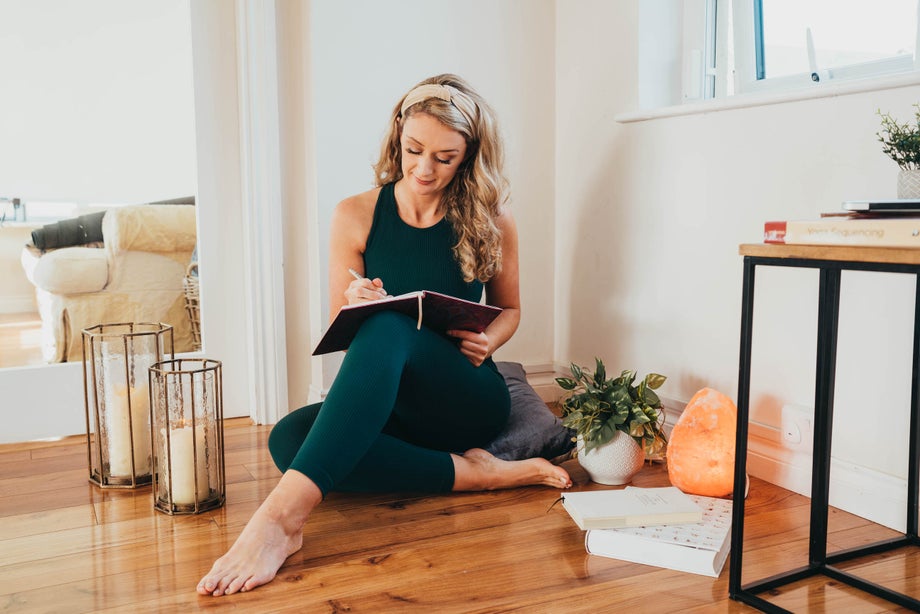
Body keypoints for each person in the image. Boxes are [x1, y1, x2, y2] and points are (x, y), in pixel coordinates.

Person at [197, 74, 572, 597]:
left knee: (392, 324)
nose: (424, 168)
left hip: (465, 394)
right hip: (397, 404)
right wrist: (354, 304)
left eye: (445, 157)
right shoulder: (353, 214)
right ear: (398, 134)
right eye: (414, 149)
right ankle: (478, 475)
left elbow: (509, 309)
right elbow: (340, 328)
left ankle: (281, 520)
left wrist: (492, 340)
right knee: (288, 438)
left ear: (469, 155)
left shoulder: (493, 216)